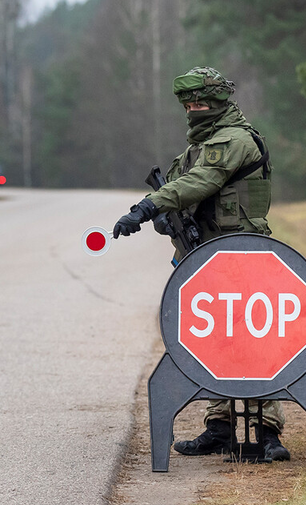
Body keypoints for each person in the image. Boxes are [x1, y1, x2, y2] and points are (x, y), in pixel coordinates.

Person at [113, 67, 289, 462]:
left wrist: (147, 207)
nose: (194, 110)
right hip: (207, 257)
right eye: (188, 104)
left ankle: (266, 430)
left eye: (201, 103)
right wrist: (165, 218)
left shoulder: (236, 140)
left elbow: (201, 182)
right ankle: (222, 425)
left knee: (254, 339)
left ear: (220, 102)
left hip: (242, 252)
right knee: (214, 341)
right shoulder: (197, 146)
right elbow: (184, 191)